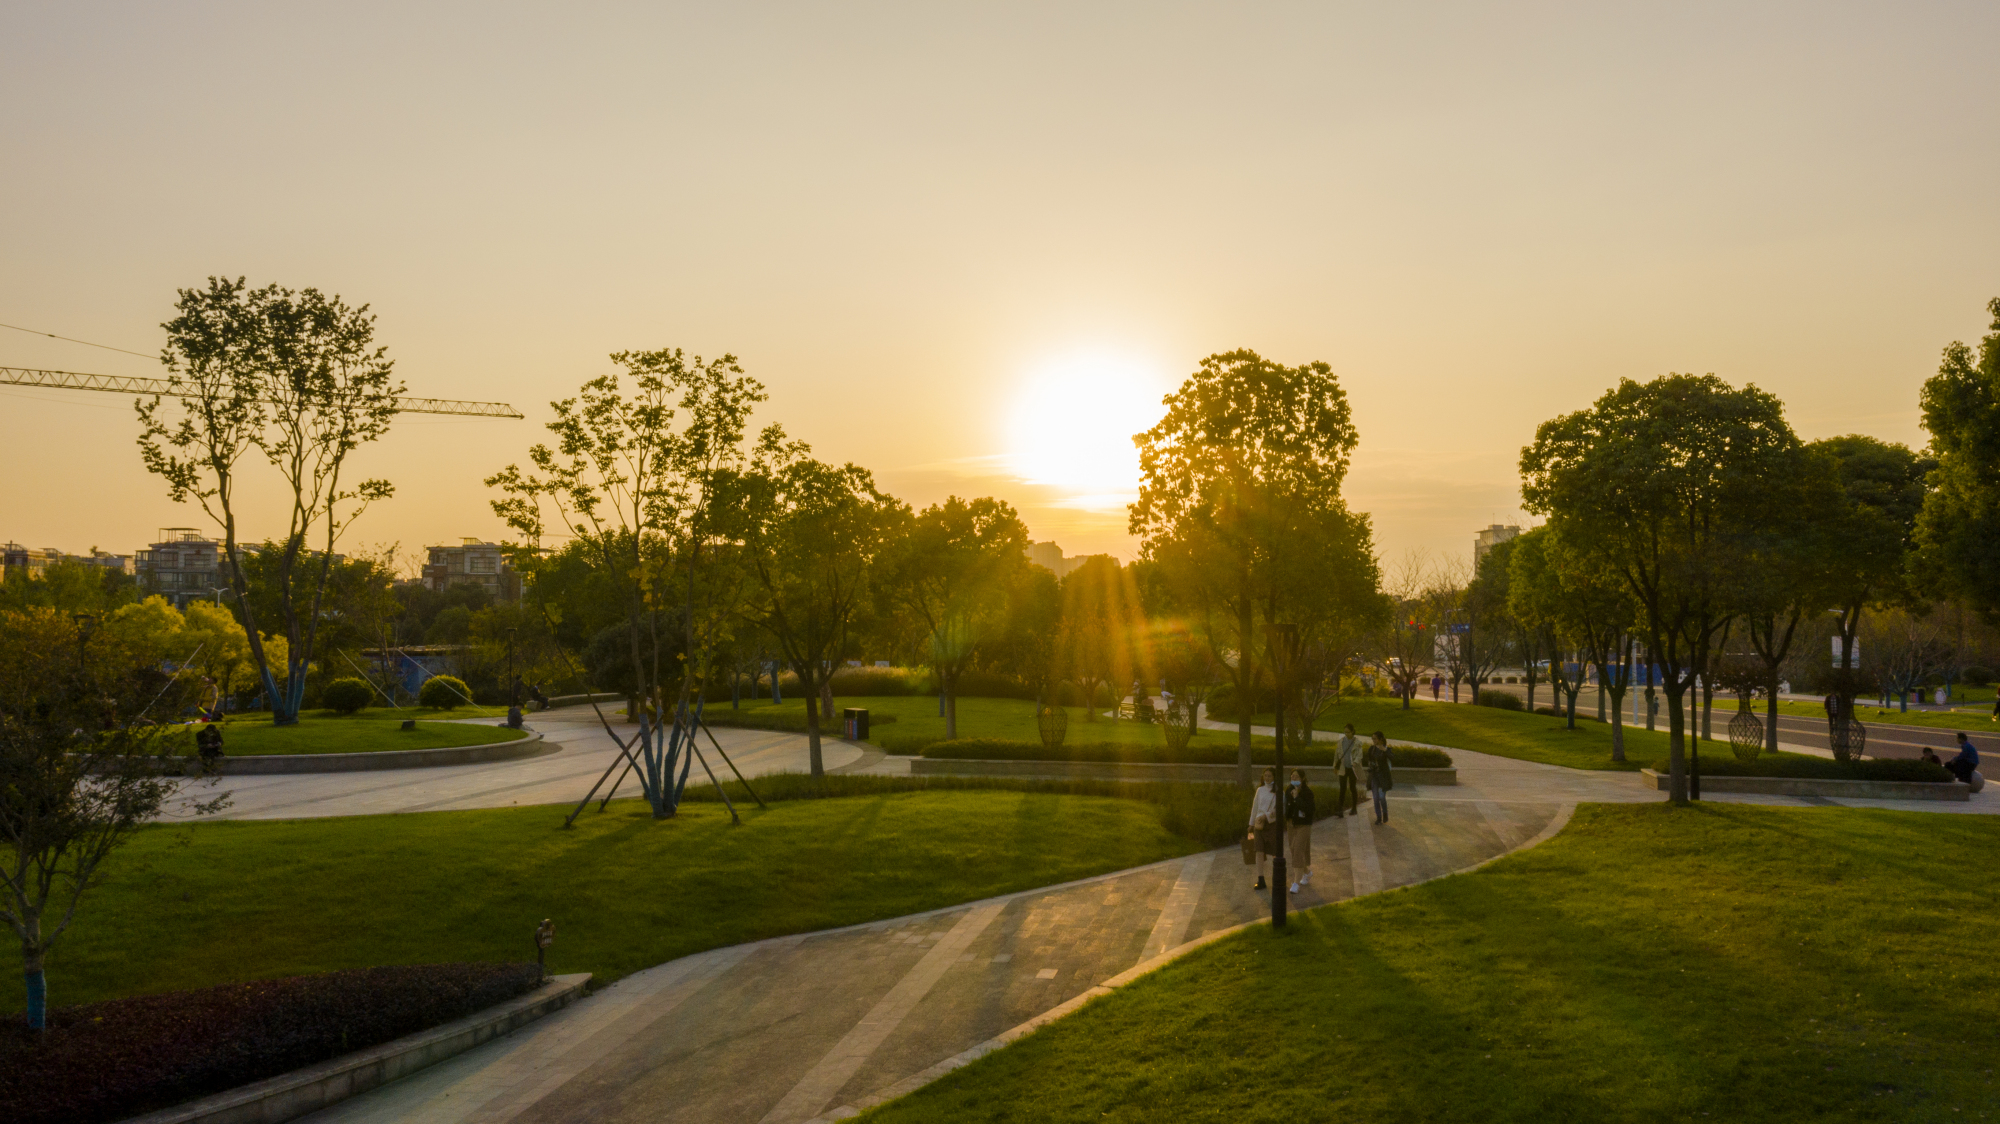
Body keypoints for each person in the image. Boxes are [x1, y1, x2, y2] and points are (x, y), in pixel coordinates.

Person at [1247, 767, 1280, 890]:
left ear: (1274, 777)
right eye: (1265, 775)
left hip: (1271, 825)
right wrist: (1251, 824)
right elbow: (1255, 807)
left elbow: (1279, 810)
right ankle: (1261, 879)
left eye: (1269, 776)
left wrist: (1267, 817)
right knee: (1259, 851)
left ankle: (1277, 877)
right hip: (1259, 825)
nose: (1267, 778)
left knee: (1275, 852)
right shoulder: (1260, 790)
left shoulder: (1278, 792)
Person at [1285, 769, 1315, 895]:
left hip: (1303, 825)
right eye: (1292, 776)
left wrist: (1297, 798)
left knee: (1298, 850)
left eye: (1296, 776)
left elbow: (1309, 809)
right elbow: (1287, 806)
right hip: (1291, 824)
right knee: (1293, 850)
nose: (1294, 778)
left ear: (1302, 778)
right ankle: (1307, 872)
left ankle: (1296, 882)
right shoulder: (1289, 790)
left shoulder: (1307, 793)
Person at [1362, 732, 1393, 825]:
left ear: (1380, 739)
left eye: (1375, 739)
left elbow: (1393, 757)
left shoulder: (1386, 749)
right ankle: (1379, 817)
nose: (1374, 741)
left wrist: (1385, 750)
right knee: (1375, 798)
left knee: (1382, 797)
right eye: (1373, 739)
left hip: (1383, 777)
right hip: (1374, 776)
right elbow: (1368, 759)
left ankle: (1385, 812)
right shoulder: (1372, 749)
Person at [1335, 724, 1361, 817]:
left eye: (1348, 732)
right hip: (1343, 768)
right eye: (1345, 732)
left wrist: (1355, 762)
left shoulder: (1357, 742)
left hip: (1352, 769)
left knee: (1352, 788)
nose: (1346, 734)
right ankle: (1340, 810)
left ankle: (1354, 808)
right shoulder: (1341, 741)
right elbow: (1337, 754)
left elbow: (1359, 755)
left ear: (1353, 731)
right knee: (1342, 788)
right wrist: (1335, 766)